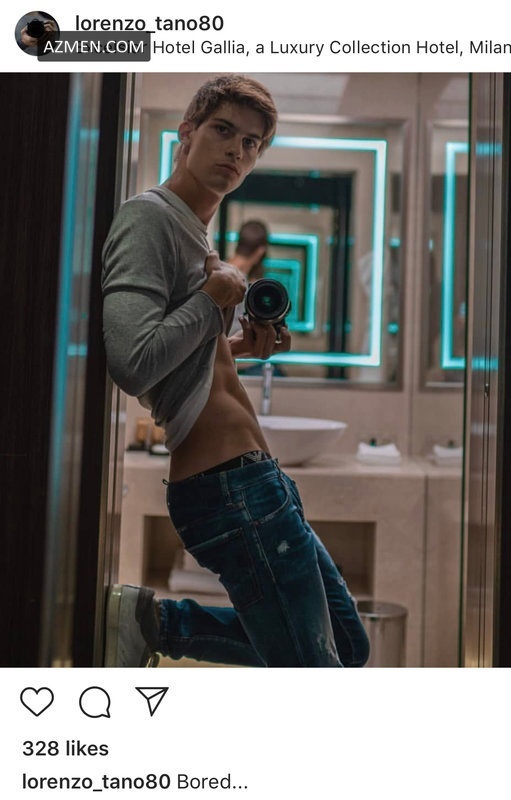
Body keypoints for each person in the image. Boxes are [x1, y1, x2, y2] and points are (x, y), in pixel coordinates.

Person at [101, 74, 369, 668]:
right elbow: (131, 361)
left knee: (350, 644)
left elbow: (184, 356)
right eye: (223, 131)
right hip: (225, 488)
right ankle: (146, 622)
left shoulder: (196, 234)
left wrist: (237, 347)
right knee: (316, 668)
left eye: (251, 143)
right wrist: (213, 299)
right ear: (187, 132)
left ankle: (151, 622)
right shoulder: (148, 218)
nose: (237, 151)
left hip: (259, 482)